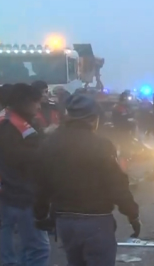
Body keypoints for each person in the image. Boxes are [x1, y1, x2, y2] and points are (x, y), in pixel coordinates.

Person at [33, 94, 141, 266]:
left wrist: (40, 214)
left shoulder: (49, 143)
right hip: (96, 221)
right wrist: (132, 214)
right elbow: (117, 184)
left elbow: (41, 183)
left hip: (64, 221)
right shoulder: (101, 145)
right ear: (93, 119)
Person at [0, 83, 50, 266]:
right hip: (21, 194)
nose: (39, 106)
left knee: (23, 248)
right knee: (38, 249)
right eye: (36, 102)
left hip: (16, 193)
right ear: (24, 102)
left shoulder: (19, 121)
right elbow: (14, 158)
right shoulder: (9, 125)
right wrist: (45, 151)